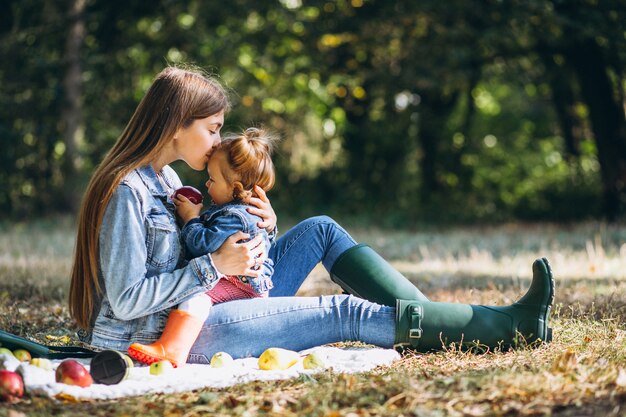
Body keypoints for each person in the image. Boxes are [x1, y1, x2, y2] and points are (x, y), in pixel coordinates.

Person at [69, 65, 554, 367]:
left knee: (320, 228)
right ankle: (507, 327)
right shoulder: (125, 192)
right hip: (180, 329)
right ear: (177, 124)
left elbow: (210, 241)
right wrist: (216, 265)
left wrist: (260, 225)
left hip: (223, 293)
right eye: (213, 129)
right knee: (342, 312)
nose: (220, 142)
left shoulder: (170, 184)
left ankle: (433, 324)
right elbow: (128, 298)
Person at [127, 127, 277, 367]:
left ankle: (172, 349)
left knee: (197, 295)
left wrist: (190, 219)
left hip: (241, 286)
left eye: (212, 179)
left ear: (235, 188)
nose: (207, 184)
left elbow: (201, 245)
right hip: (239, 279)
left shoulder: (234, 217)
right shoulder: (240, 211)